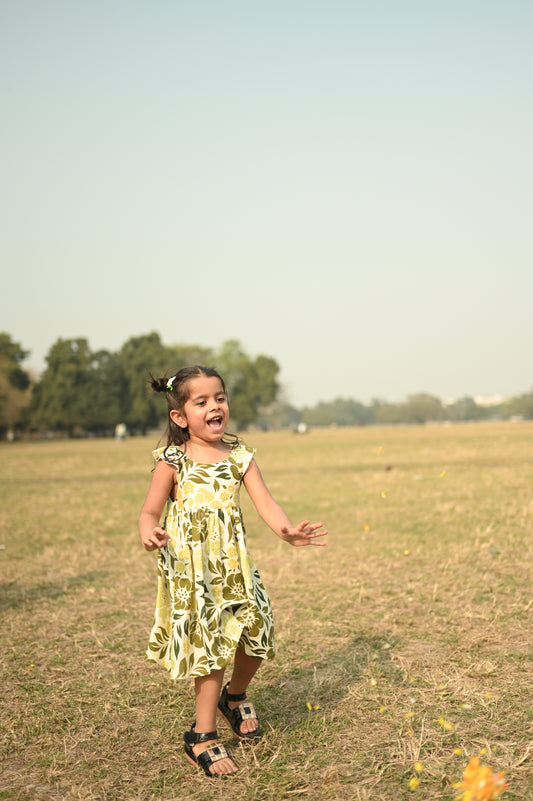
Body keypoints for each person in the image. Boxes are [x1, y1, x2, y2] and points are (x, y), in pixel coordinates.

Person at [138, 365, 327, 777]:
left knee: (259, 633)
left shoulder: (240, 456)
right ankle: (201, 735)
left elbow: (266, 503)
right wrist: (147, 530)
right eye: (201, 401)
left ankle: (234, 697)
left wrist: (286, 530)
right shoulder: (173, 459)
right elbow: (151, 508)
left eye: (219, 398)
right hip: (192, 570)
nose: (214, 406)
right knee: (211, 649)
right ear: (179, 416)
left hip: (233, 566)